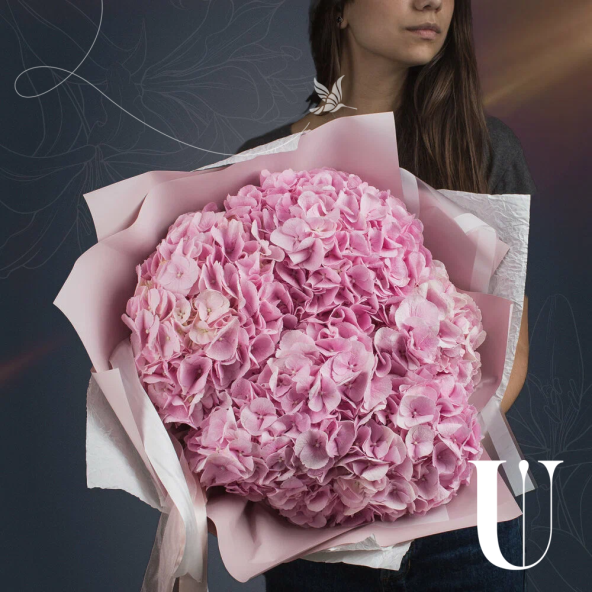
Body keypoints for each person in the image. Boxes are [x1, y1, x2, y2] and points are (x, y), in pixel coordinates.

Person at [234, 1, 536, 591]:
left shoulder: (482, 150)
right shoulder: (264, 165)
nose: (432, 2)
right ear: (340, 10)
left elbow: (512, 354)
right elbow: (244, 363)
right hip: (317, 526)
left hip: (459, 519)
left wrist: (404, 458)